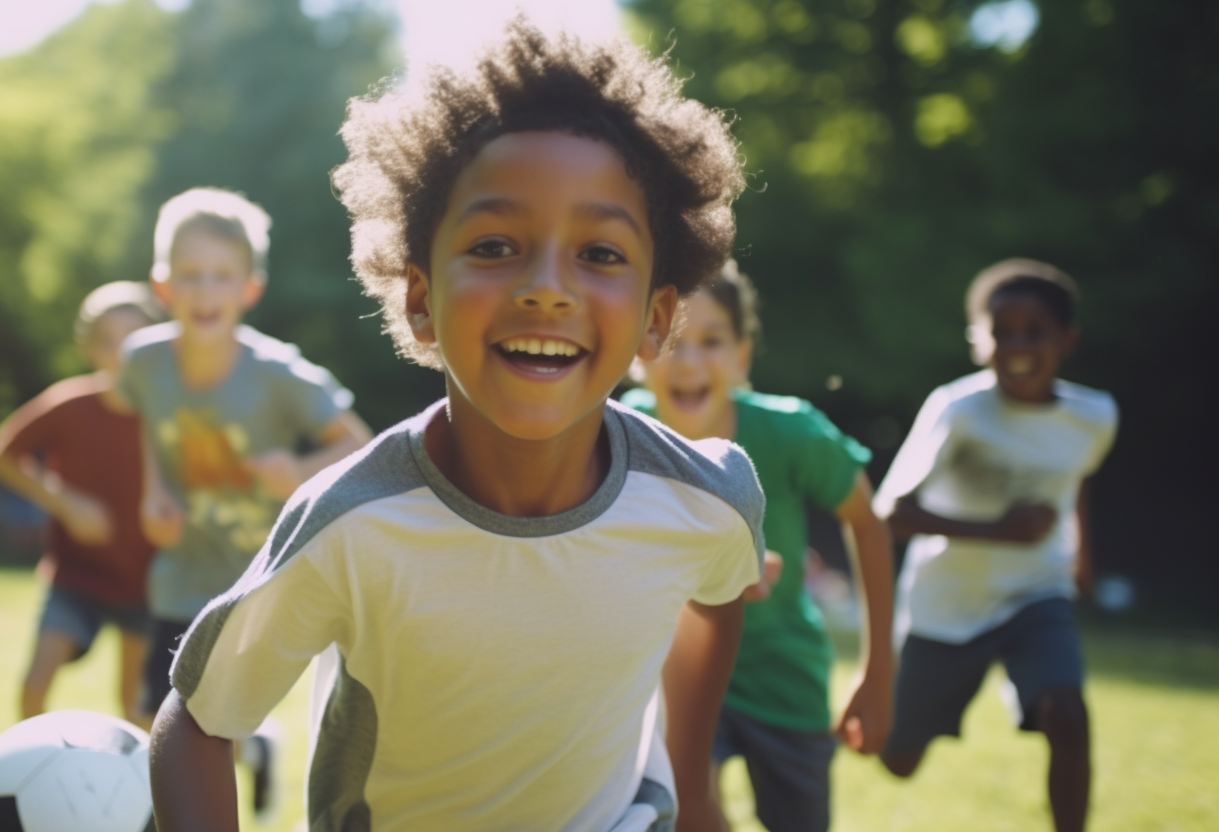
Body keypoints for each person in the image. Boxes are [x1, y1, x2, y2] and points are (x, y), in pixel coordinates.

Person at [149, 19, 766, 832]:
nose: (548, 288)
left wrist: (693, 792)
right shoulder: (350, 523)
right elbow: (197, 723)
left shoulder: (708, 496)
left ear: (657, 319)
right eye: (498, 244)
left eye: (602, 254)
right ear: (419, 297)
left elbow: (719, 593)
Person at [120, 186, 372, 817]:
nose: (206, 290)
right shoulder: (143, 363)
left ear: (249, 288)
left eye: (221, 276)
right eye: (191, 275)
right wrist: (154, 490)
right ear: (163, 283)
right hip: (180, 573)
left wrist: (297, 467)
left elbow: (357, 442)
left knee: (204, 727)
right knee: (154, 716)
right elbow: (150, 427)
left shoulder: (278, 374)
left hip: (256, 578)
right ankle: (249, 755)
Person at [622, 261, 895, 832]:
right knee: (685, 809)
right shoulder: (617, 437)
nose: (690, 361)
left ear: (742, 357)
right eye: (672, 341)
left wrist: (877, 672)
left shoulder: (793, 433)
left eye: (712, 342)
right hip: (675, 677)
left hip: (784, 679)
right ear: (639, 351)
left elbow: (868, 524)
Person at [873, 259, 1117, 832]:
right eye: (1001, 331)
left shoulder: (1096, 415)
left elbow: (1073, 475)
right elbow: (891, 514)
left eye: (1035, 331)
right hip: (947, 604)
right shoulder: (958, 410)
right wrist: (999, 530)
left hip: (1037, 590)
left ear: (1067, 340)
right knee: (898, 760)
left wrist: (1081, 551)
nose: (1018, 345)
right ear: (977, 341)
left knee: (1069, 713)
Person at [0, 281, 163, 727]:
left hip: (146, 582)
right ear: (90, 348)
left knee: (138, 710)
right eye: (108, 341)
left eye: (134, 340)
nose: (120, 353)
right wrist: (64, 502)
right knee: (34, 688)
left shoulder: (169, 413)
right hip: (75, 576)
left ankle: (142, 794)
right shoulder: (68, 404)